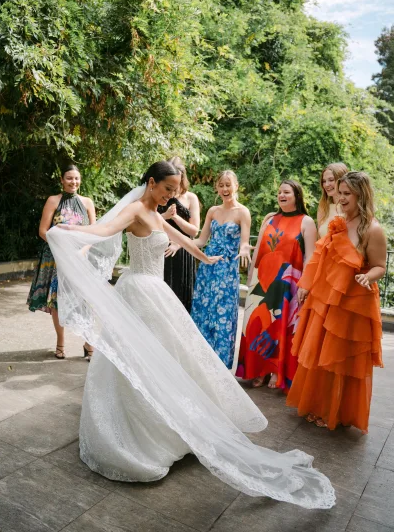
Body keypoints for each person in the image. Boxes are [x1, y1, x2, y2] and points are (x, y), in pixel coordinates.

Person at [46, 160, 335, 509]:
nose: (172, 195)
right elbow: (103, 230)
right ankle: (133, 434)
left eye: (175, 190)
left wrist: (206, 257)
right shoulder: (137, 209)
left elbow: (182, 239)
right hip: (138, 291)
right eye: (168, 189)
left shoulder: (157, 213)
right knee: (136, 360)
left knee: (170, 357)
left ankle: (168, 426)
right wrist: (65, 232)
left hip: (157, 293)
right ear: (151, 183)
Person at [287, 171, 386, 432]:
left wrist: (368, 278)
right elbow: (320, 257)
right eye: (339, 193)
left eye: (346, 194)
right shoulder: (339, 223)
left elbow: (380, 266)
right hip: (327, 299)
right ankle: (319, 405)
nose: (340, 199)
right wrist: (306, 285)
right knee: (321, 355)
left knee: (340, 359)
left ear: (360, 196)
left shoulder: (372, 230)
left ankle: (337, 412)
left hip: (353, 301)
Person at [236, 180, 317, 392]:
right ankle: (259, 370)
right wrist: (251, 276)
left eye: (286, 192)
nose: (281, 195)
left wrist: (305, 283)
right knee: (260, 325)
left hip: (288, 285)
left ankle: (276, 372)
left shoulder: (306, 222)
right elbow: (259, 251)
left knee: (280, 328)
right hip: (262, 282)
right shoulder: (269, 219)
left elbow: (310, 256)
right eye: (279, 192)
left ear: (297, 196)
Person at [27, 164, 96, 360]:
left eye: (76, 178)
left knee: (86, 300)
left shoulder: (87, 202)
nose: (73, 182)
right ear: (62, 180)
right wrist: (62, 249)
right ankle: (60, 343)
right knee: (57, 301)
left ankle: (88, 343)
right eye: (69, 178)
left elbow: (94, 232)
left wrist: (81, 251)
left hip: (81, 258)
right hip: (57, 258)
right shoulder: (53, 200)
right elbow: (43, 230)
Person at [190, 170, 251, 369]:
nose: (225, 189)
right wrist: (179, 243)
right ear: (217, 188)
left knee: (223, 314)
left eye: (228, 185)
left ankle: (220, 365)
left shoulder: (243, 212)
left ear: (236, 186)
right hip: (208, 267)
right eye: (221, 185)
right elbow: (201, 240)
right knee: (203, 311)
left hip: (227, 270)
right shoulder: (213, 211)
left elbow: (244, 242)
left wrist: (244, 251)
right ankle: (201, 362)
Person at [158, 157, 200, 311]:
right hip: (161, 250)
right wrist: (165, 216)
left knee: (181, 299)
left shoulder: (191, 198)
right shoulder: (160, 195)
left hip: (182, 252)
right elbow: (150, 221)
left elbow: (194, 230)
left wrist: (175, 217)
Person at [317, 162, 348, 238]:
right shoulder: (323, 208)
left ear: (342, 180)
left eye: (331, 180)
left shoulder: (352, 207)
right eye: (324, 181)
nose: (326, 185)